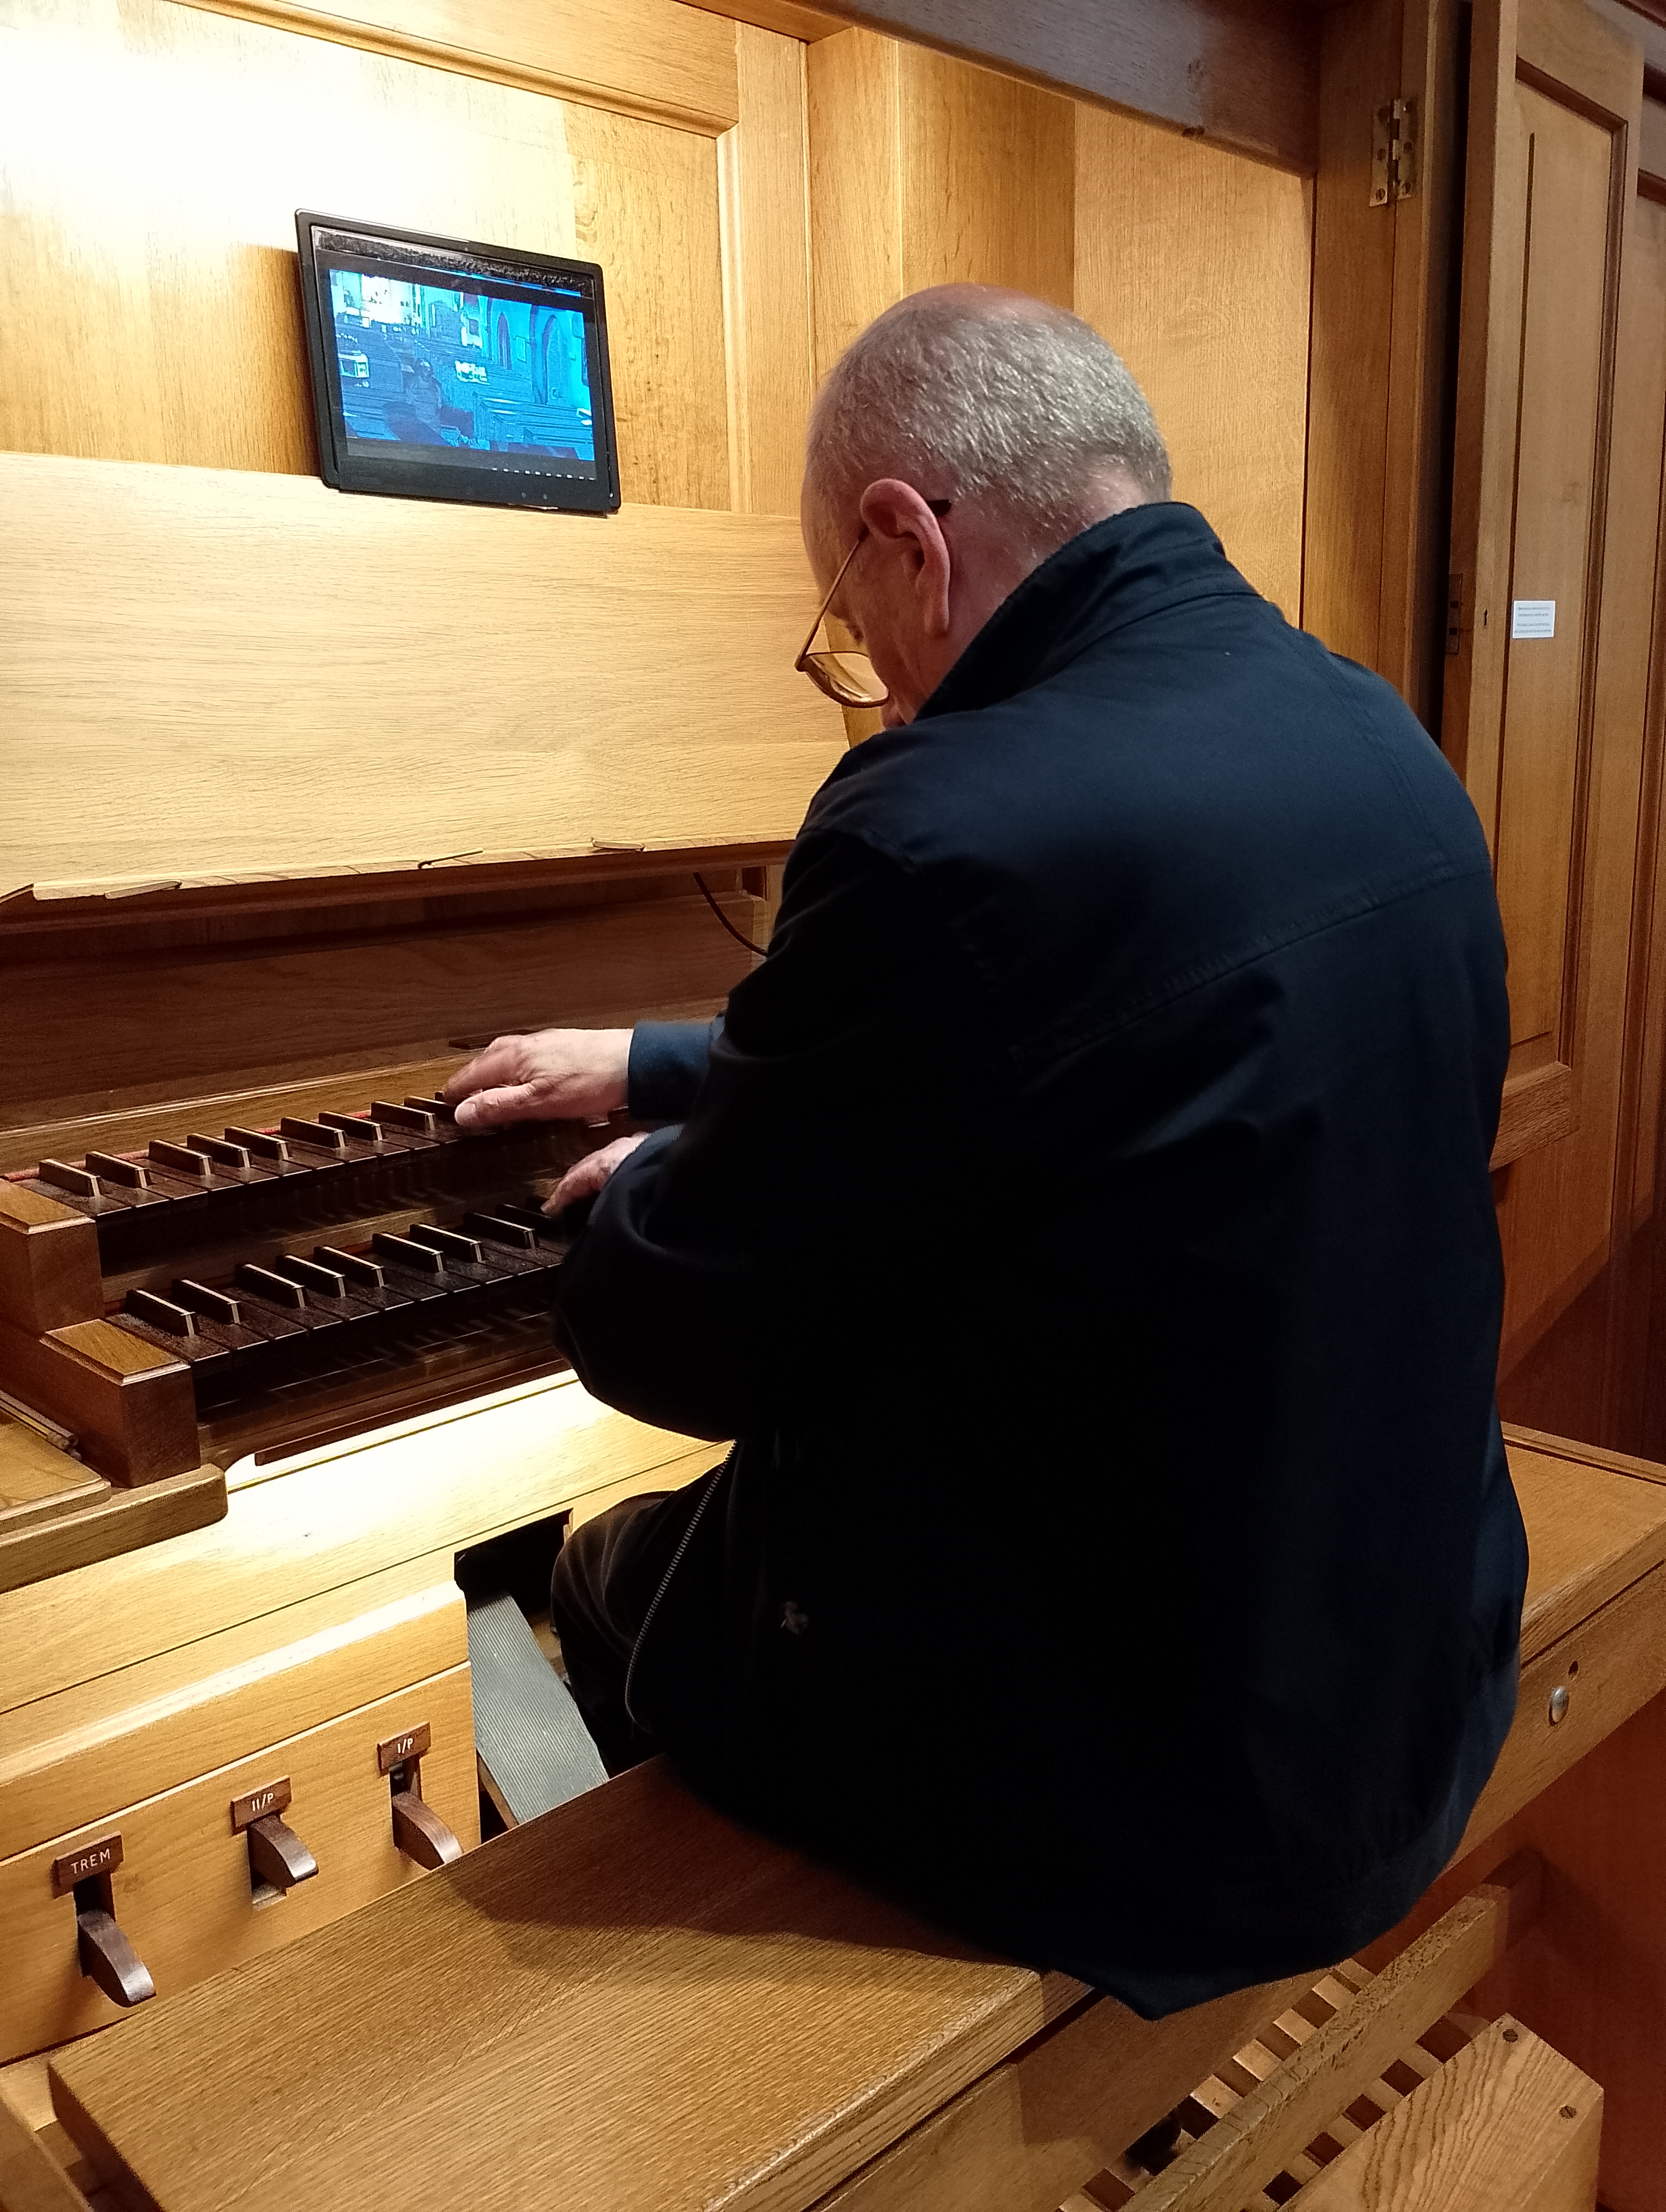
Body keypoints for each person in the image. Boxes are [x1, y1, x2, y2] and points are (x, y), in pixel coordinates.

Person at [445, 285, 1527, 2020]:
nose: (866, 675)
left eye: (844, 631)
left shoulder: (945, 816)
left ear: (904, 536)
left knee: (584, 1565)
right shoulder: (1366, 732)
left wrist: (646, 1180)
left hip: (1150, 1811)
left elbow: (676, 1342)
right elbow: (1078, 1018)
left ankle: (609, 2060)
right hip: (1392, 1674)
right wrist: (667, 1063)